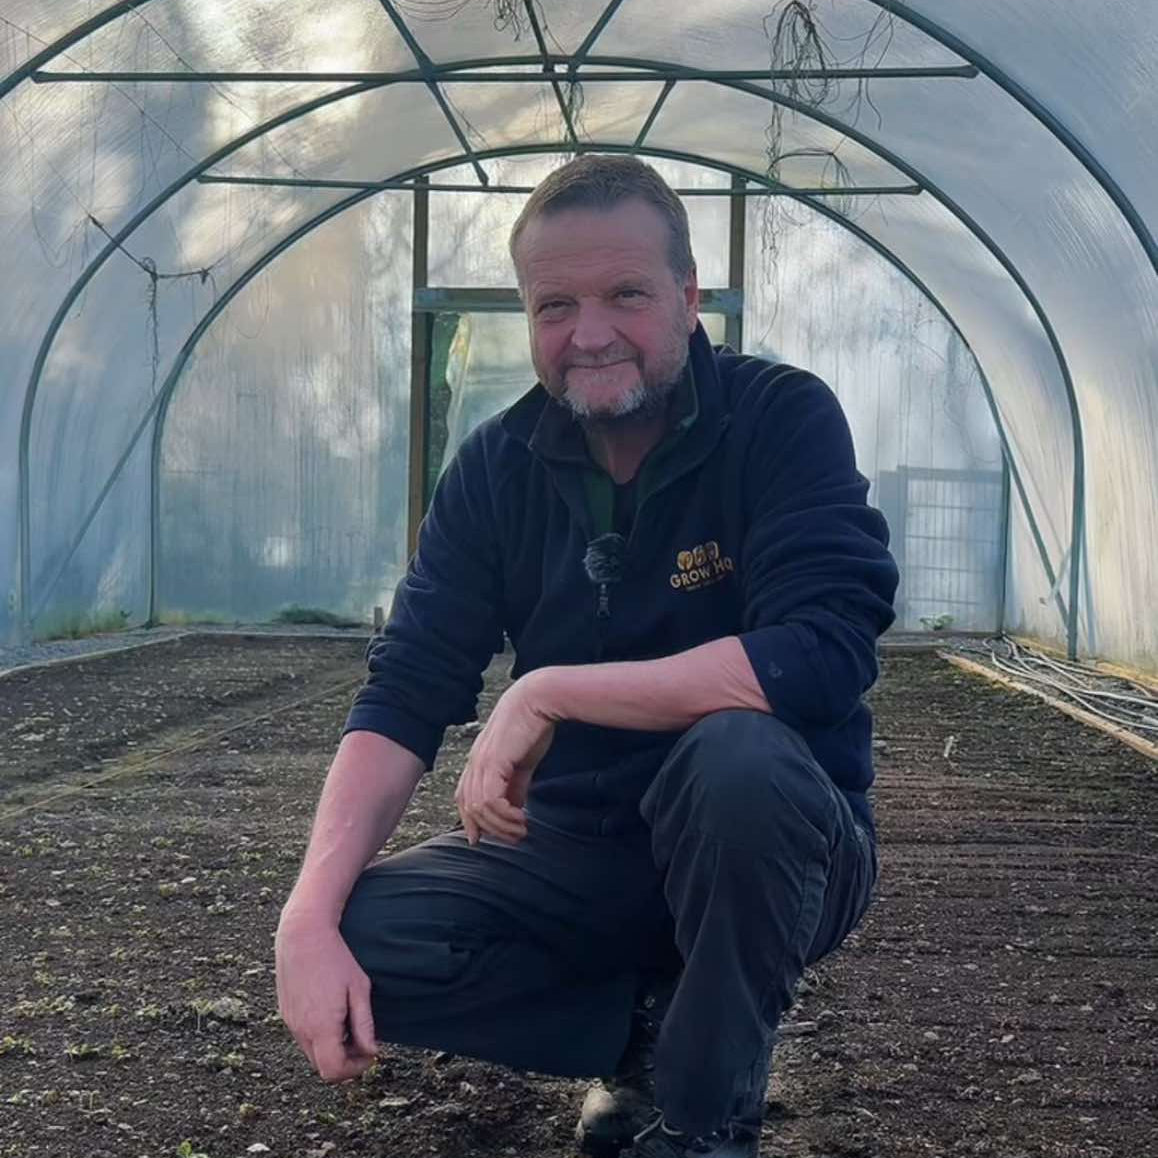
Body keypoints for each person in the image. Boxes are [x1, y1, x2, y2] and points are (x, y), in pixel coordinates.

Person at [275, 154, 898, 1158]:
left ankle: (701, 1118)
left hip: (774, 845)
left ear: (689, 298)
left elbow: (818, 655)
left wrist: (551, 691)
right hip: (574, 851)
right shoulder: (497, 468)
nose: (590, 333)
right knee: (351, 930)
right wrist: (304, 919)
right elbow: (405, 690)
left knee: (738, 762)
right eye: (554, 305)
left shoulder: (779, 420)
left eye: (626, 295)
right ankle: (651, 1038)